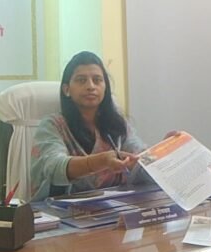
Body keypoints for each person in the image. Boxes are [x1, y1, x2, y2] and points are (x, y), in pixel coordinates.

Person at [30, 51, 147, 201]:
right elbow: (53, 167)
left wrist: (165, 151)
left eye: (97, 80)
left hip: (113, 207)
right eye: (81, 80)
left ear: (105, 88)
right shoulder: (52, 125)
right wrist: (101, 161)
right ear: (66, 89)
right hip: (62, 209)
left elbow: (139, 156)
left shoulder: (118, 124)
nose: (90, 86)